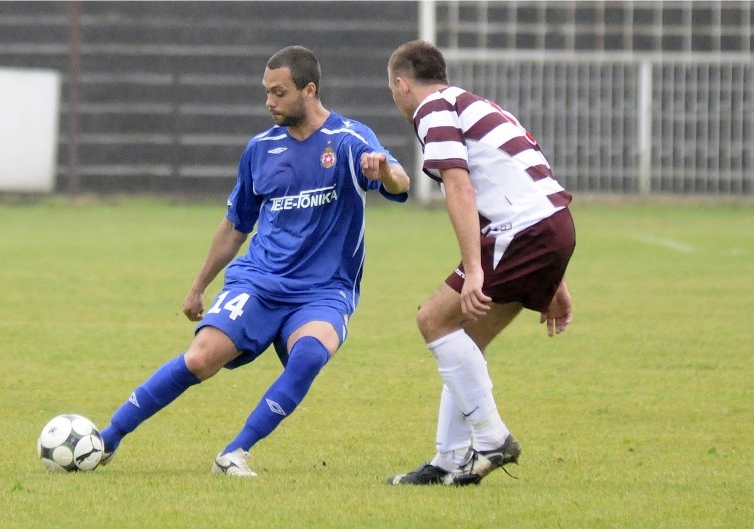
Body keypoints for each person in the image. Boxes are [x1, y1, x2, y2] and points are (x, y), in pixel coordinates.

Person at [96, 45, 410, 477]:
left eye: (279, 93)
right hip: (259, 281)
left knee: (310, 355)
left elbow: (401, 180)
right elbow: (234, 226)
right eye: (266, 92)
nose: (269, 102)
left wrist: (384, 172)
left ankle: (235, 452)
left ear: (309, 90)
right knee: (200, 358)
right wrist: (197, 286)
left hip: (324, 288)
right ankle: (104, 440)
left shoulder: (350, 140)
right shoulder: (260, 149)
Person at [384, 40, 576, 486]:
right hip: (551, 226)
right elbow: (528, 180)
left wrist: (474, 270)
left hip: (524, 231)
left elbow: (460, 187)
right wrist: (555, 282)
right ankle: (449, 460)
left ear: (401, 83)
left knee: (433, 320)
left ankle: (491, 440)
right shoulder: (475, 104)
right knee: (464, 339)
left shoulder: (432, 109)